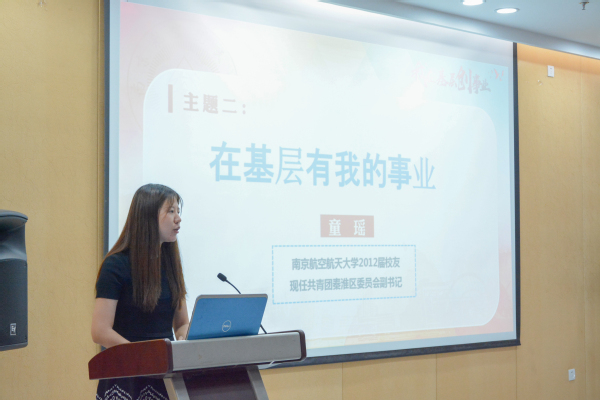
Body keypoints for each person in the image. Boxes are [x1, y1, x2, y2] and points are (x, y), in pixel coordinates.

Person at [91, 184, 189, 400]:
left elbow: (182, 323)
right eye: (171, 211)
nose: (178, 218)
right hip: (126, 375)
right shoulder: (116, 265)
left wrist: (182, 339)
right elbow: (100, 331)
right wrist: (143, 357)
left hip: (164, 374)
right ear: (148, 216)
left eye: (178, 211)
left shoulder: (171, 264)